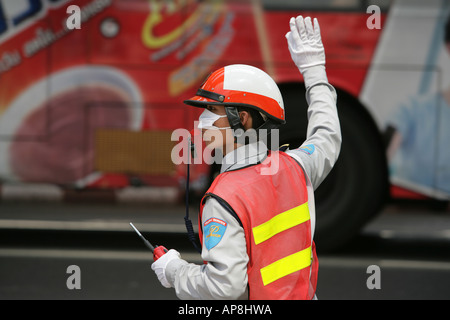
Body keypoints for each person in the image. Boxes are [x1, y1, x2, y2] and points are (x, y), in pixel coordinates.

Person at [151, 15, 341, 300]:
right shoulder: (297, 166)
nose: (201, 122)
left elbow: (224, 288)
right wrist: (314, 70)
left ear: (242, 119)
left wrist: (174, 270)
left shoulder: (223, 198)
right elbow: (327, 136)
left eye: (211, 112)